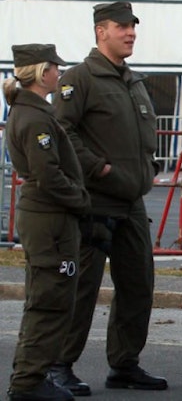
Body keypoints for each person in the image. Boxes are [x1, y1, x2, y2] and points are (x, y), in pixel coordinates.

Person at [50, 1, 167, 395]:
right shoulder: (79, 79)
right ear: (101, 31)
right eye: (122, 27)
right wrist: (97, 168)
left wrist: (147, 167)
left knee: (138, 284)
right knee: (81, 287)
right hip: (94, 201)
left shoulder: (132, 81)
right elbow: (63, 132)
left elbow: (141, 135)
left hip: (132, 202)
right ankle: (59, 365)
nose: (131, 33)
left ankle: (125, 364)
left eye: (133, 27)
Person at [5, 44, 90, 401]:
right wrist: (81, 200)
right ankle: (28, 383)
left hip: (49, 217)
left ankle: (32, 377)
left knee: (48, 298)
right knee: (49, 302)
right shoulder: (36, 117)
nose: (60, 72)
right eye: (56, 67)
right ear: (43, 73)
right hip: (49, 220)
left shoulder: (32, 111)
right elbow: (48, 175)